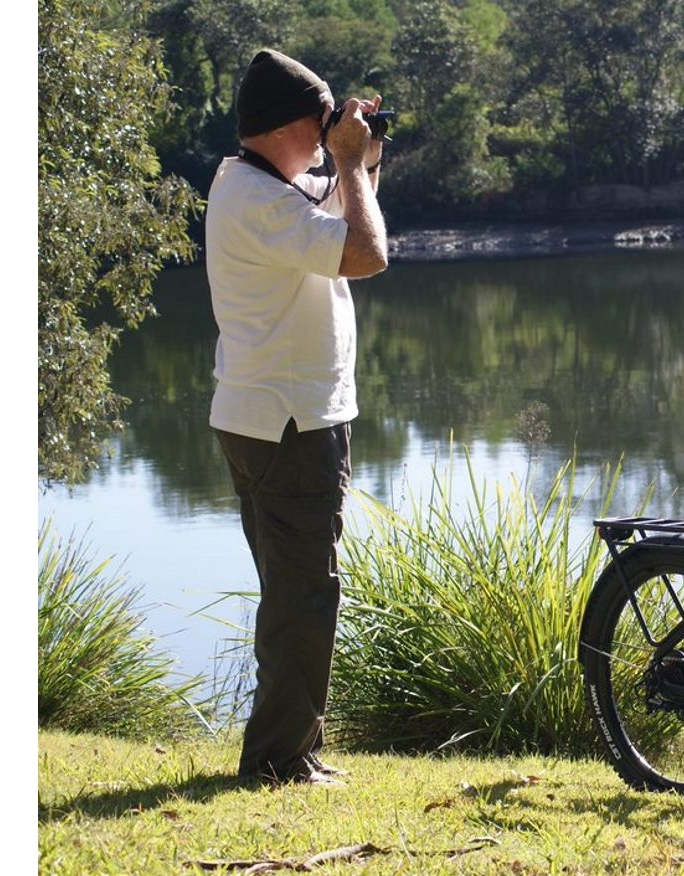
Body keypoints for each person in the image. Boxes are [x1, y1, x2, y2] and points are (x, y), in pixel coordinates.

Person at [205, 48, 389, 786]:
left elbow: (339, 204)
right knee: (305, 595)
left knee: (294, 591)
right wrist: (348, 165)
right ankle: (279, 760)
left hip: (272, 417)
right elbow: (367, 252)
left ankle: (288, 750)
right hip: (290, 424)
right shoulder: (260, 202)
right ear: (291, 123)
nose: (325, 136)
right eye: (320, 122)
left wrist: (361, 162)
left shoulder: (251, 184)